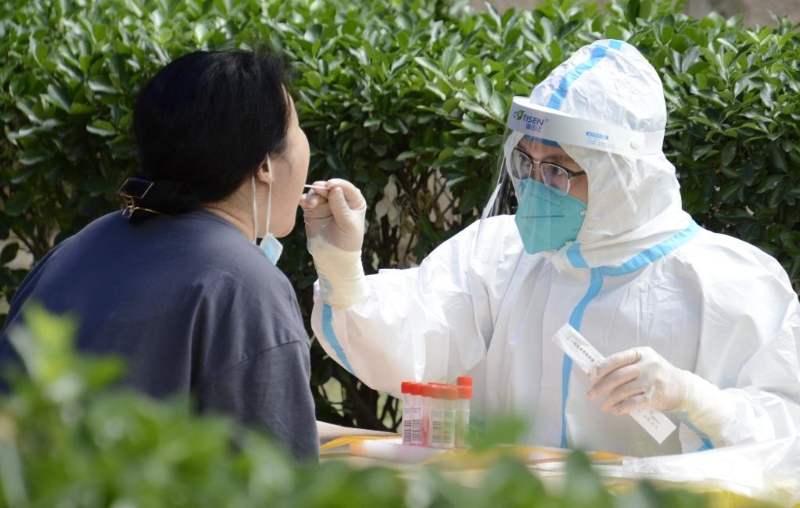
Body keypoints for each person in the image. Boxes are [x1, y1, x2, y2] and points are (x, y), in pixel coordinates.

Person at [300, 39, 800, 457]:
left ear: (620, 175)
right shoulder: (496, 256)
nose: (535, 186)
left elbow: (785, 431)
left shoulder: (729, 284)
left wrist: (693, 398)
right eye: (525, 162)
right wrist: (343, 269)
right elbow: (412, 340)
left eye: (558, 169)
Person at [0, 50, 319, 460]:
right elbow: (281, 473)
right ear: (264, 166)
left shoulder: (78, 246)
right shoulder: (248, 286)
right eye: (297, 127)